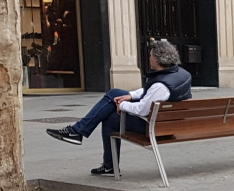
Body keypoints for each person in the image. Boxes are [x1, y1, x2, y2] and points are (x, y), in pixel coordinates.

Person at [46, 39, 192, 176]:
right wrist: (130, 95)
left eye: (150, 56)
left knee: (110, 118)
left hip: (154, 126)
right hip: (169, 122)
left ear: (158, 59)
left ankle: (97, 152)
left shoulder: (161, 85)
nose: (149, 59)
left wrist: (122, 105)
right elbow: (151, 92)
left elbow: (142, 109)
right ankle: (79, 132)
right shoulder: (180, 74)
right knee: (114, 93)